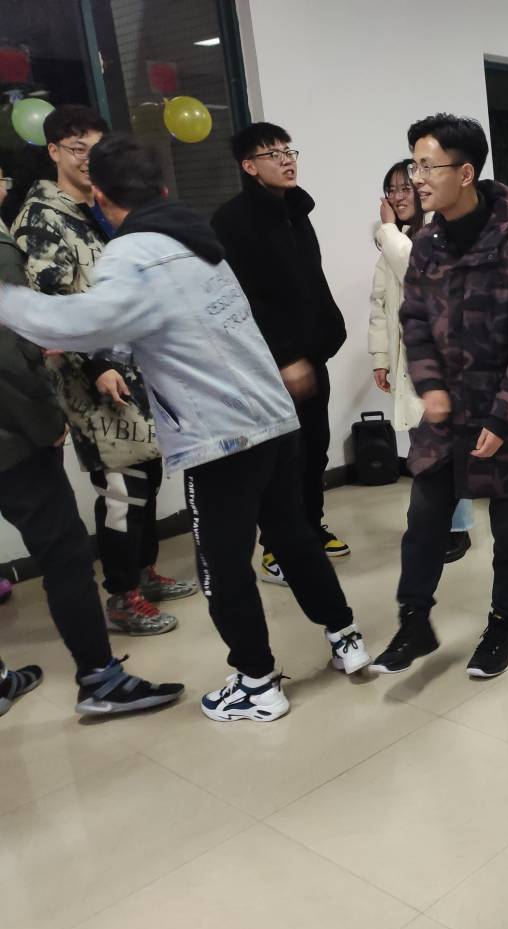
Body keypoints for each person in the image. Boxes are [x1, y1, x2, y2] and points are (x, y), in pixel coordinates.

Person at [0, 133, 371, 723]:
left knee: (222, 565)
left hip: (220, 437)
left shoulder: (131, 253)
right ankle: (346, 638)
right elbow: (172, 323)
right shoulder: (199, 242)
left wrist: (10, 303)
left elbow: (85, 321)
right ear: (164, 190)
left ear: (101, 198)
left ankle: (257, 684)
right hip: (273, 419)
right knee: (293, 536)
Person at [367, 114, 508, 679]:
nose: (417, 179)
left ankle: (503, 625)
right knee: (424, 520)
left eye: (428, 166)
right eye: (414, 166)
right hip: (445, 418)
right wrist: (430, 387)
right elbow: (415, 322)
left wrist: (502, 419)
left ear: (466, 173)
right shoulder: (427, 244)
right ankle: (414, 622)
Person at [1, 163, 184, 717]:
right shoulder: (31, 227)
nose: (4, 182)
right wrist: (46, 416)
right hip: (13, 435)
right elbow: (12, 351)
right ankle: (101, 679)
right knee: (67, 551)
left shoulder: (88, 217)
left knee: (139, 482)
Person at [211, 122, 350, 586]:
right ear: (249, 166)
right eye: (273, 153)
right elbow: (244, 298)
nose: (287, 160)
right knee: (282, 462)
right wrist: (285, 356)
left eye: (289, 150)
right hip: (271, 364)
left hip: (311, 356)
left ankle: (309, 526)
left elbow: (309, 279)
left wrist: (327, 332)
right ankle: (277, 547)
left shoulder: (295, 210)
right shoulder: (232, 221)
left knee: (315, 449)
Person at [369, 158, 472, 563]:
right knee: (422, 445)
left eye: (404, 188)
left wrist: (387, 229)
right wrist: (380, 357)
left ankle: (457, 528)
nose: (397, 196)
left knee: (446, 449)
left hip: (440, 362)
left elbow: (416, 269)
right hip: (406, 361)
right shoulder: (391, 242)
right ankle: (433, 524)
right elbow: (379, 306)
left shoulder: (435, 232)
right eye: (391, 189)